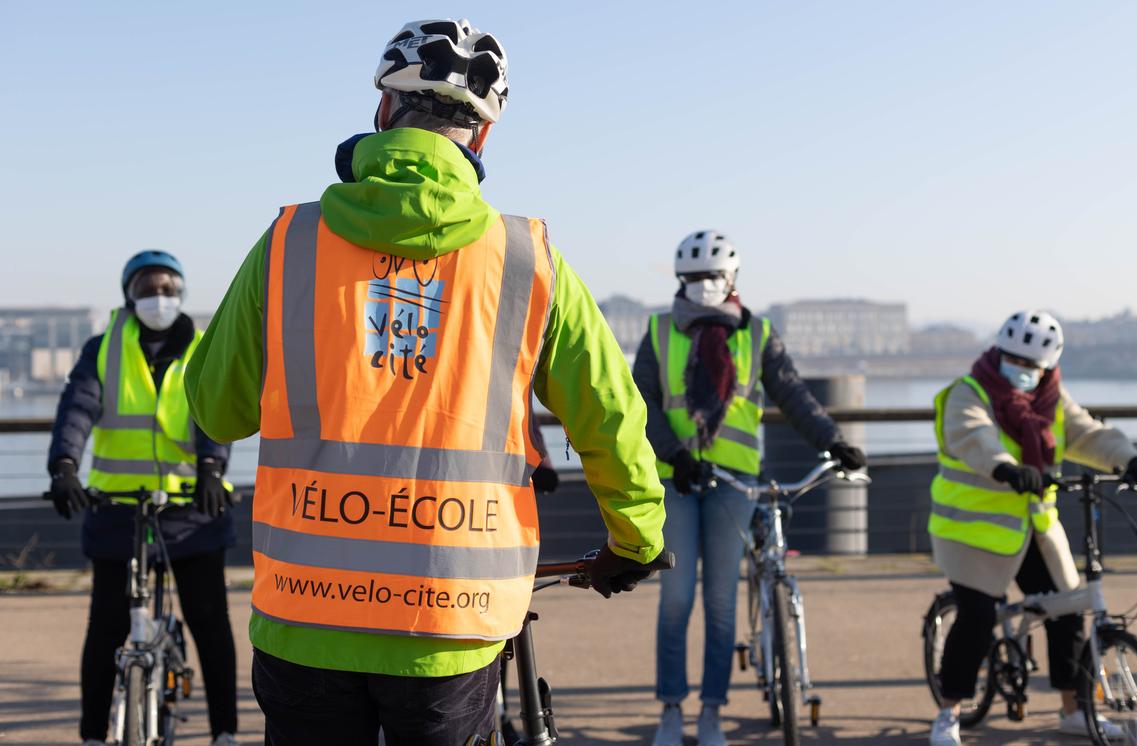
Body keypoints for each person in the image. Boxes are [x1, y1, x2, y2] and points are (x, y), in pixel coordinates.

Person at [183, 18, 667, 745]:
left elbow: (216, 410)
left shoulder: (290, 242)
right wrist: (635, 539)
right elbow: (610, 416)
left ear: (382, 111)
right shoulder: (528, 261)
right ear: (483, 137)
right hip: (451, 617)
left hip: (306, 616)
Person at [632, 231, 867, 746]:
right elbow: (641, 404)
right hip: (676, 478)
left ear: (733, 279)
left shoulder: (758, 334)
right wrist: (675, 454)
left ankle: (711, 711)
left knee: (720, 602)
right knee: (676, 599)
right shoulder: (658, 330)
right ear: (679, 281)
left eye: (713, 277)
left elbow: (794, 394)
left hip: (734, 486)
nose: (704, 287)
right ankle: (671, 709)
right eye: (694, 279)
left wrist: (835, 441)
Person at [927, 310, 1137, 746]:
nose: (1022, 370)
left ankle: (1074, 710)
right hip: (970, 532)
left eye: (1032, 366)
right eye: (1014, 360)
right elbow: (973, 436)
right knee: (978, 617)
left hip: (1033, 526)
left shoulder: (1052, 398)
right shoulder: (968, 393)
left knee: (1070, 607)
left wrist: (1131, 460)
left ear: (1048, 367)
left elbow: (1089, 434)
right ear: (999, 352)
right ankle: (949, 713)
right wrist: (1006, 469)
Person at [47, 250, 239, 746]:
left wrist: (213, 468)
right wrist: (65, 465)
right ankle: (92, 735)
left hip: (190, 511)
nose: (160, 297)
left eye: (169, 288)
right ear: (128, 295)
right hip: (118, 510)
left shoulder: (202, 346)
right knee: (106, 627)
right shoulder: (102, 348)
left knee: (209, 622)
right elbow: (77, 408)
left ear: (182, 293)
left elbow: (214, 412)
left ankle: (225, 733)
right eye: (149, 288)